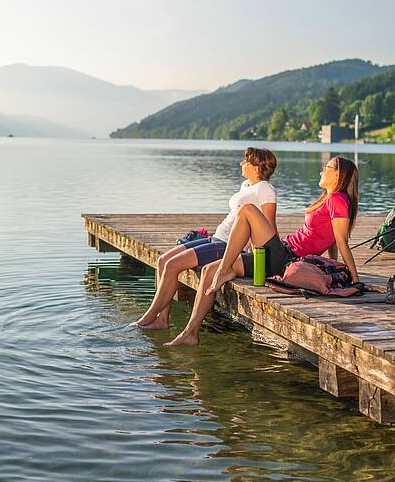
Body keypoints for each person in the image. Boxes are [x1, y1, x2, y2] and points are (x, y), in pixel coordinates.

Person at [166, 155, 360, 346]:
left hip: (286, 259)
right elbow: (333, 240)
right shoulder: (331, 198)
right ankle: (191, 332)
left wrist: (355, 279)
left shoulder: (337, 199)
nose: (321, 170)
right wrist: (335, 265)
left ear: (338, 175)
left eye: (326, 168)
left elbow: (341, 242)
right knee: (209, 271)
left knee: (247, 210)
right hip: (281, 252)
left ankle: (225, 269)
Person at [134, 147, 278, 330]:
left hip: (228, 245)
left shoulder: (265, 189)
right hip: (217, 237)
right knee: (163, 261)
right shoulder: (246, 185)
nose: (242, 163)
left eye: (246, 161)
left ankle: (147, 317)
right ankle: (162, 319)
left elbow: (269, 226)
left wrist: (268, 257)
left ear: (256, 168)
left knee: (172, 266)